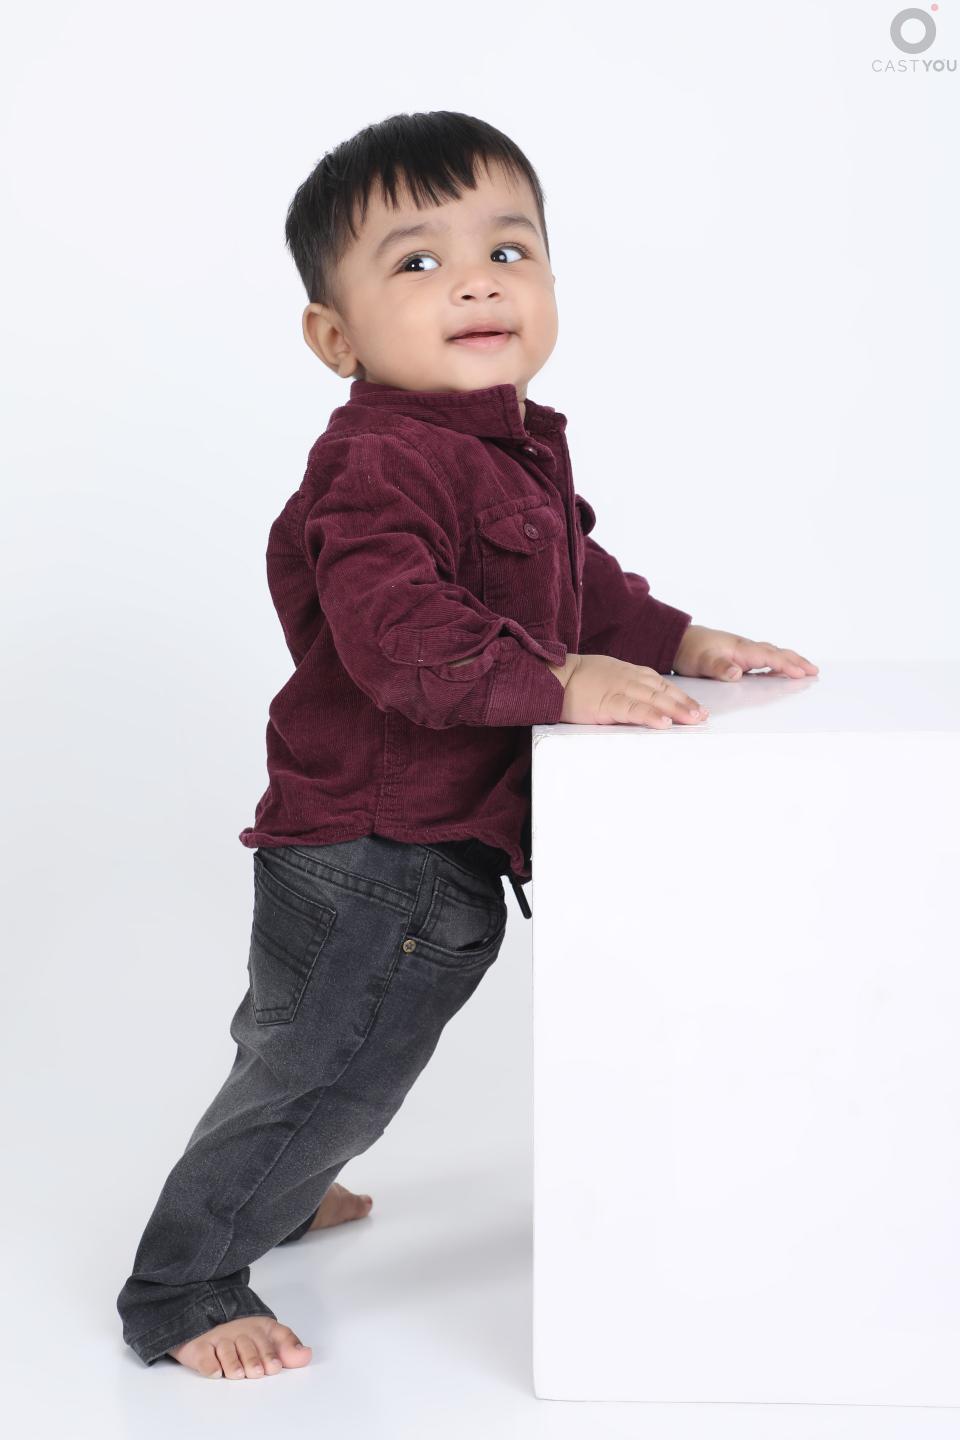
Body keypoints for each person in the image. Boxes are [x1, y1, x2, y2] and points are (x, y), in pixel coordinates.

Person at [116, 109, 818, 1380]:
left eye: (509, 249)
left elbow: (575, 584)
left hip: (411, 837)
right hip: (376, 848)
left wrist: (679, 639)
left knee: (306, 1041)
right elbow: (403, 637)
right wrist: (561, 680)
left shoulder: (505, 448)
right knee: (330, 1064)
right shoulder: (377, 466)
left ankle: (281, 1185)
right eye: (419, 261)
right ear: (336, 338)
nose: (480, 281)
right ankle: (185, 1286)